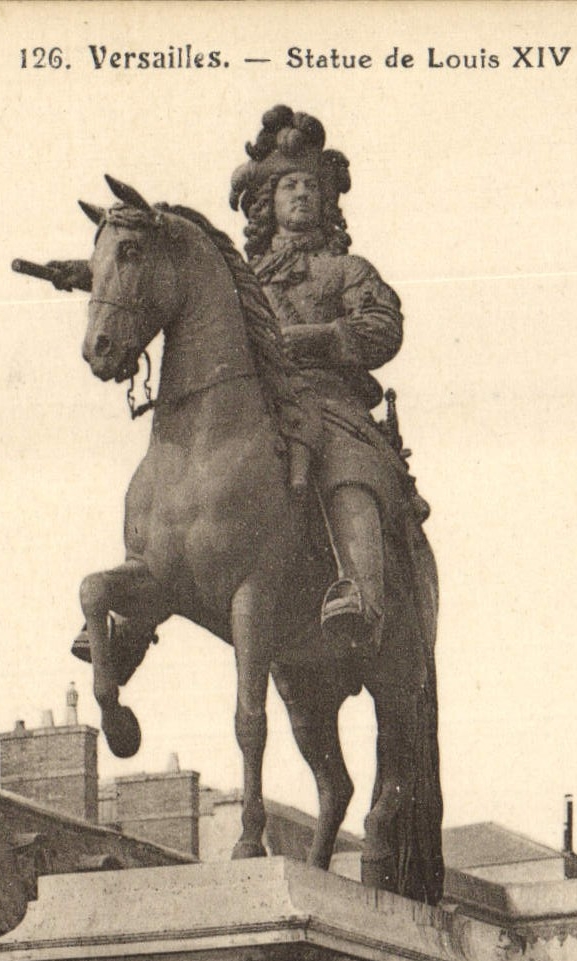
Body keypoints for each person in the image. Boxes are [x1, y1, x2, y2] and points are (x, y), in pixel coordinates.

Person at [230, 106, 429, 654]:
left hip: (330, 402)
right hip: (258, 402)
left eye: (310, 186)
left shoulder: (348, 270)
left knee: (344, 464)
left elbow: (381, 329)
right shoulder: (240, 279)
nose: (300, 194)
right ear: (267, 202)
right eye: (288, 185)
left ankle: (360, 592)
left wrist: (318, 338)